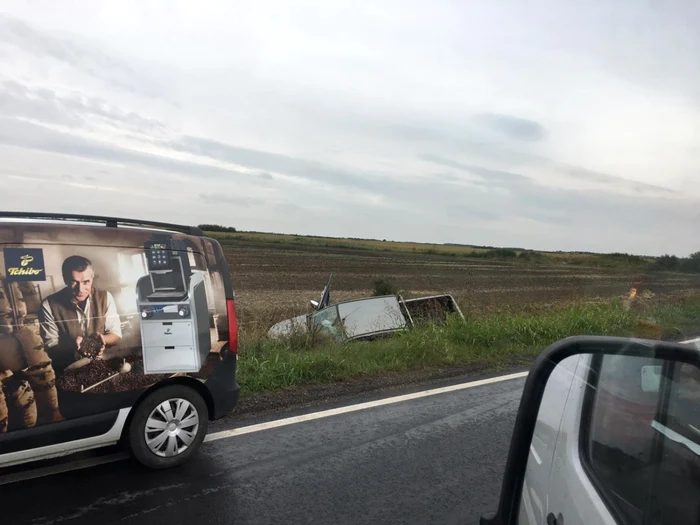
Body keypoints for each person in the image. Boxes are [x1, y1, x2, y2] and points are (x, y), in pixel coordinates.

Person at [40, 255, 122, 371]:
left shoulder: (105, 297)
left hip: (102, 366)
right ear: (65, 279)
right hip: (68, 370)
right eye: (74, 282)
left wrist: (103, 339)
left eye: (86, 282)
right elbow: (51, 347)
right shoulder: (48, 305)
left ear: (92, 278)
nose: (80, 289)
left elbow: (116, 334)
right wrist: (73, 345)